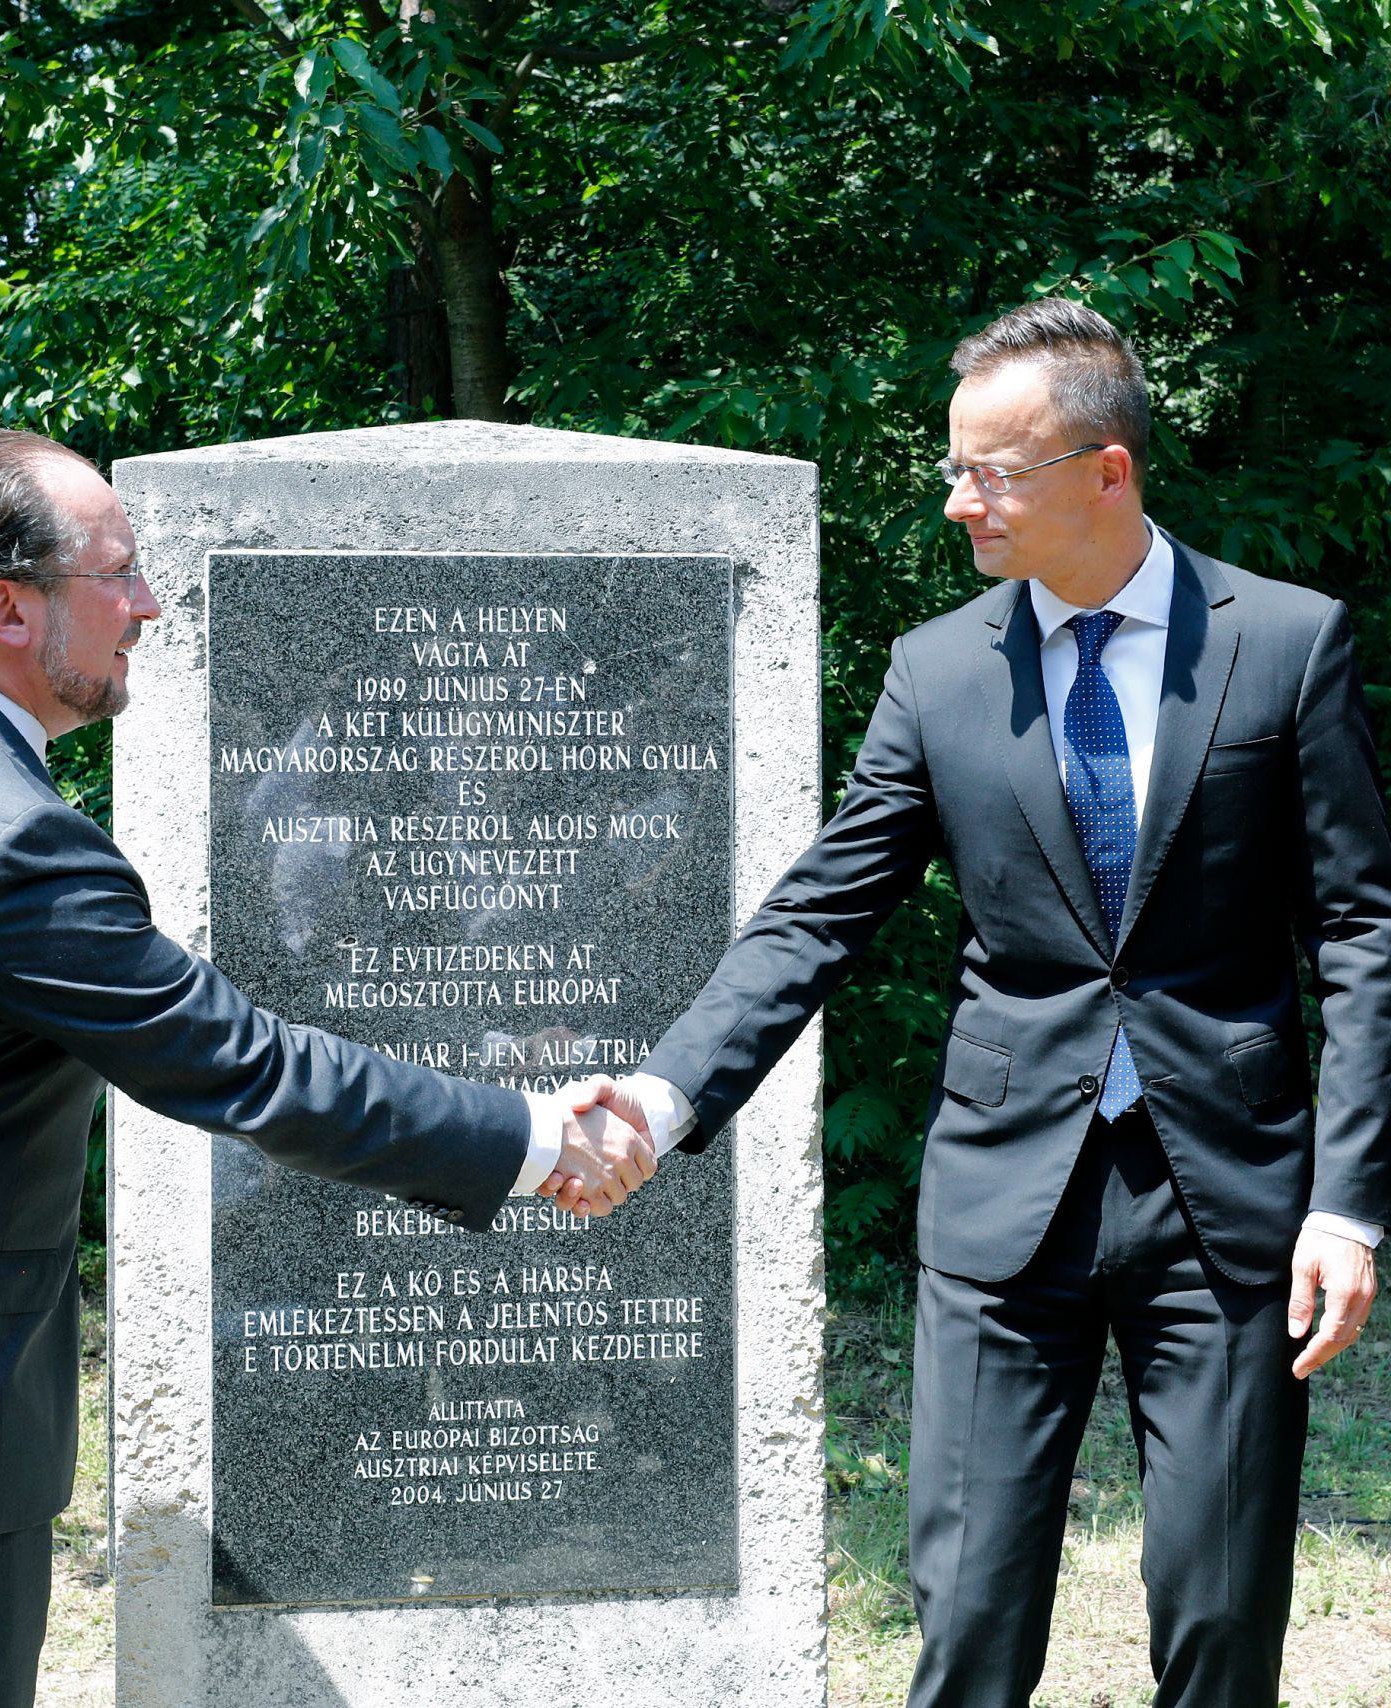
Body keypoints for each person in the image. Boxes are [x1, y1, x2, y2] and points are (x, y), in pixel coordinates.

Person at [0, 427, 654, 1707]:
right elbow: (241, 1065)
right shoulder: (8, 841)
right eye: (114, 572)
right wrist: (534, 1137)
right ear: (5, 608)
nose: (150, 603)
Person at [587, 300, 1388, 1706]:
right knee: (968, 1618)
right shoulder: (938, 668)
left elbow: (1361, 930)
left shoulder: (1282, 643)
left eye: (992, 473)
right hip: (1002, 1202)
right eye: (954, 469)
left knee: (1221, 1618)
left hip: (1228, 1204)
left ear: (1106, 471)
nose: (960, 501)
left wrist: (1347, 1203)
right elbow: (820, 909)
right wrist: (663, 1097)